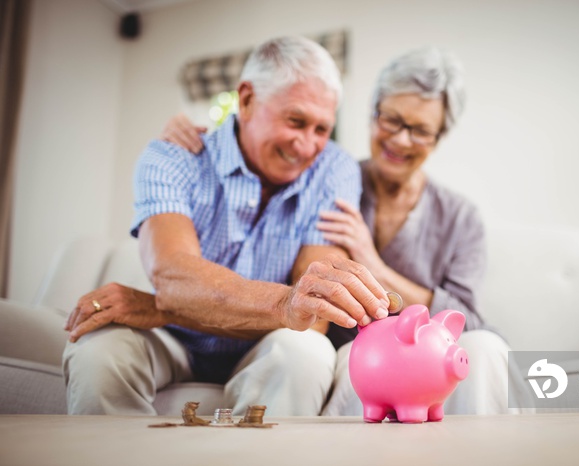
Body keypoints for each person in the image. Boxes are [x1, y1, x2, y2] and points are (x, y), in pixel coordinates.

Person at [163, 46, 532, 416]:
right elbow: (258, 157)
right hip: (354, 354)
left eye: (420, 130)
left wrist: (373, 263)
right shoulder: (329, 180)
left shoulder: (460, 217)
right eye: (391, 120)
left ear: (439, 137)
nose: (401, 140)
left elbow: (469, 320)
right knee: (343, 362)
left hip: (434, 359)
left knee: (485, 346)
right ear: (373, 114)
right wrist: (204, 142)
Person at [62, 36, 392, 417]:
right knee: (99, 349)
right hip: (173, 341)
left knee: (307, 350)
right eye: (295, 121)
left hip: (266, 346)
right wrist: (283, 302)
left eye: (321, 129)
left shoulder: (334, 169)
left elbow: (314, 314)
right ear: (247, 99)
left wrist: (161, 306)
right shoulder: (172, 156)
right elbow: (175, 277)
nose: (306, 145)